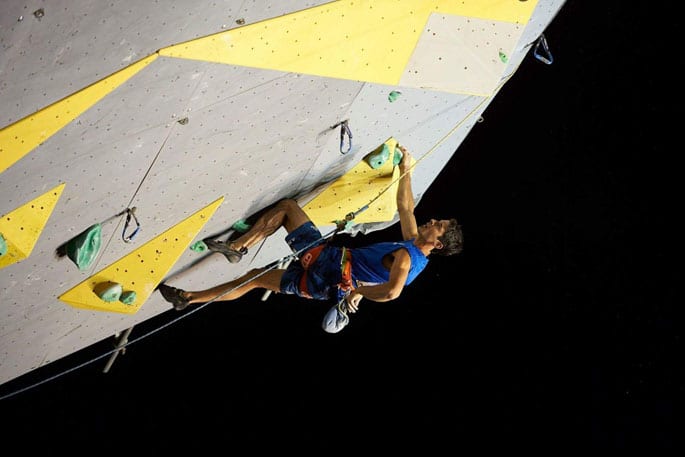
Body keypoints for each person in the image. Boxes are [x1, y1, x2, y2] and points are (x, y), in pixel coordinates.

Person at [157, 146, 463, 331]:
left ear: (437, 243)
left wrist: (358, 291)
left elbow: (392, 293)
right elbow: (405, 207)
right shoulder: (413, 247)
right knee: (254, 280)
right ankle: (188, 299)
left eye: (438, 225)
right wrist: (405, 170)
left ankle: (238, 247)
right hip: (321, 288)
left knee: (289, 208)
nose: (432, 221)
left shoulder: (408, 258)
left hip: (331, 265)